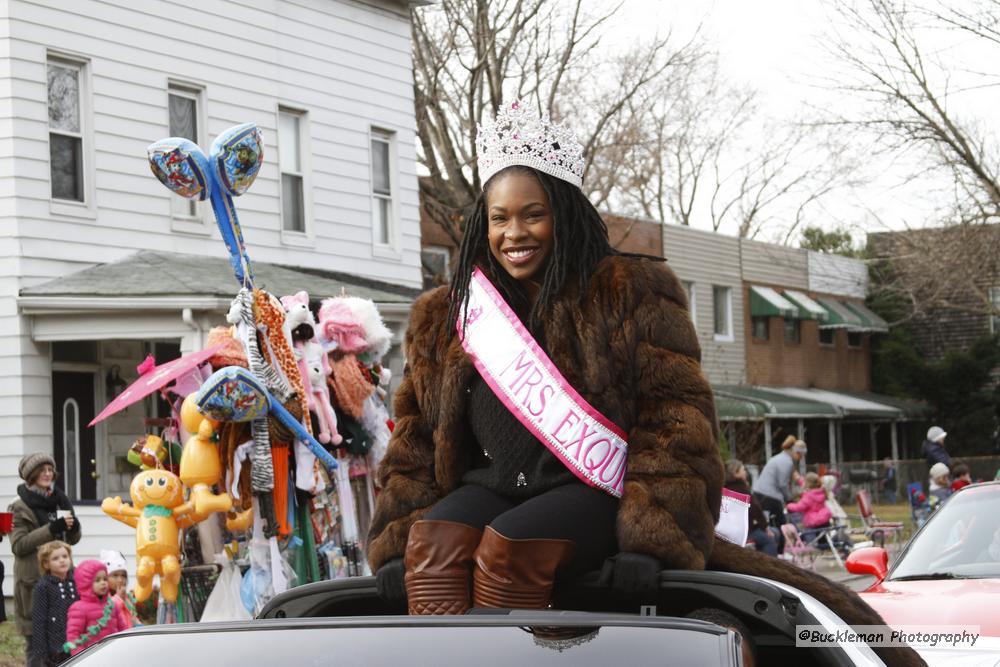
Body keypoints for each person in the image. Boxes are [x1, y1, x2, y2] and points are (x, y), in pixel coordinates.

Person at [366, 101, 923, 667]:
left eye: (531, 215)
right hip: (490, 486)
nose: (514, 233)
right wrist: (393, 543)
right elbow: (412, 441)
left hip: (592, 493)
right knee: (430, 547)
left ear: (563, 212)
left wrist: (654, 541)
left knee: (508, 549)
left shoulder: (631, 290)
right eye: (499, 218)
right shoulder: (449, 314)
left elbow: (674, 423)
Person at [8, 453, 81, 646]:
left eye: (50, 470)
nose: (48, 474)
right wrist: (51, 529)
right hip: (33, 583)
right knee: (38, 650)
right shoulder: (17, 506)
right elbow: (19, 546)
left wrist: (74, 529)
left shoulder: (59, 500)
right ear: (31, 475)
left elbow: (71, 541)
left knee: (65, 648)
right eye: (42, 470)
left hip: (62, 584)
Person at [751, 437, 806, 550]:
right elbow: (782, 484)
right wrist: (789, 498)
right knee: (781, 523)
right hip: (770, 495)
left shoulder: (780, 458)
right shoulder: (786, 461)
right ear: (796, 452)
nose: (801, 458)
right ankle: (780, 550)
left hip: (761, 492)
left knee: (768, 522)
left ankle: (771, 547)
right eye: (801, 455)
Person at [28, 541, 78, 667]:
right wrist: (42, 652)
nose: (62, 560)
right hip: (55, 646)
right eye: (56, 558)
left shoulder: (76, 581)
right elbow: (39, 620)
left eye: (65, 556)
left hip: (78, 640)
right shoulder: (43, 587)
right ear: (46, 564)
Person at [64, 560, 125, 656]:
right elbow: (73, 638)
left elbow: (123, 630)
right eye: (97, 580)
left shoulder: (112, 605)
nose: (103, 583)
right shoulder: (78, 608)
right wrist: (83, 659)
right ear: (86, 583)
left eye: (105, 579)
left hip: (115, 654)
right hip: (92, 658)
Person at [724, 459, 777, 557]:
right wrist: (765, 527)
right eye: (743, 470)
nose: (745, 473)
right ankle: (770, 567)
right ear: (736, 473)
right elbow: (755, 510)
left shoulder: (723, 488)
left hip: (727, 533)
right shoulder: (742, 488)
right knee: (769, 539)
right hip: (745, 532)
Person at [786, 473, 834, 543]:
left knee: (806, 531)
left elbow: (799, 507)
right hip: (824, 519)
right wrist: (798, 478)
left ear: (808, 484)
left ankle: (811, 545)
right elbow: (807, 483)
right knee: (822, 536)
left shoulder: (809, 496)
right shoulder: (821, 491)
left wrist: (788, 505)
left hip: (813, 521)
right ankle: (824, 544)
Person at [100, 550, 137, 628]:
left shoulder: (127, 598)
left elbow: (133, 619)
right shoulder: (102, 597)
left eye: (123, 576)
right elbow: (107, 614)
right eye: (115, 576)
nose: (120, 580)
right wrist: (118, 598)